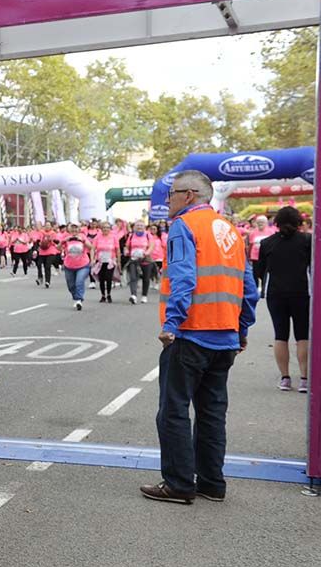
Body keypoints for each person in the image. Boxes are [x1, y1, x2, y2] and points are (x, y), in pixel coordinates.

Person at [141, 170, 258, 504]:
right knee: (211, 413)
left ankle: (179, 484)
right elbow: (249, 289)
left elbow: (183, 278)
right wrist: (241, 329)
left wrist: (171, 324)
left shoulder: (185, 225)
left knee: (173, 411)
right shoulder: (231, 231)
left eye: (172, 194)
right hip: (225, 338)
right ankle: (211, 482)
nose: (168, 201)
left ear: (189, 195)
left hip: (190, 334)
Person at [258, 206, 312, 392]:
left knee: (280, 335)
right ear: (299, 222)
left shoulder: (267, 243)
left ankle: (285, 378)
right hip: (302, 292)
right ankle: (304, 379)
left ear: (277, 223)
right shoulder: (307, 241)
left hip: (276, 294)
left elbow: (260, 271)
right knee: (302, 336)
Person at [61, 223, 91, 311]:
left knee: (79, 281)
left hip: (82, 264)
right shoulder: (66, 237)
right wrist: (63, 241)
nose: (74, 230)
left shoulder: (83, 237)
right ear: (69, 230)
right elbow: (59, 248)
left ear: (79, 229)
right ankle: (75, 297)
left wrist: (83, 241)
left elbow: (91, 247)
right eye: (72, 228)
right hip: (69, 265)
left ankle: (79, 300)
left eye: (76, 228)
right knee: (71, 285)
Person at [124, 220, 154, 304]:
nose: (139, 227)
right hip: (133, 259)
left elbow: (151, 246)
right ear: (134, 227)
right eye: (137, 225)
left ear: (144, 227)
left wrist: (146, 253)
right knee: (133, 277)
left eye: (141, 225)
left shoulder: (148, 235)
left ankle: (144, 295)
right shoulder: (131, 236)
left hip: (145, 259)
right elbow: (127, 246)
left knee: (146, 278)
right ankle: (133, 295)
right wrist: (126, 251)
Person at [92, 222, 120, 303]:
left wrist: (118, 260)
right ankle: (103, 295)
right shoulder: (97, 237)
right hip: (100, 261)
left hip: (110, 261)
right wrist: (92, 259)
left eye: (107, 227)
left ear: (110, 229)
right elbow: (93, 249)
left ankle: (109, 294)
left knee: (108, 278)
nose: (105, 229)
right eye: (104, 227)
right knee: (101, 279)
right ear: (101, 228)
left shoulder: (114, 237)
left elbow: (117, 249)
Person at [246, 215, 274, 293]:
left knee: (265, 274)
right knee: (255, 274)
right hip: (255, 256)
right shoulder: (253, 232)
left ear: (266, 223)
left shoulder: (271, 232)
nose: (260, 224)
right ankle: (255, 290)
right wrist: (248, 256)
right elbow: (250, 245)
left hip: (266, 256)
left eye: (262, 222)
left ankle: (264, 291)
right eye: (258, 222)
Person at [34, 222, 59, 288]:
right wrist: (35, 249)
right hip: (42, 251)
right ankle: (40, 277)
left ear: (51, 226)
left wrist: (52, 240)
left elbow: (57, 242)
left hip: (51, 251)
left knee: (47, 266)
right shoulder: (41, 232)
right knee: (39, 264)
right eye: (46, 225)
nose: (47, 226)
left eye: (49, 225)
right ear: (44, 226)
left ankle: (47, 281)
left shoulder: (53, 233)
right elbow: (37, 241)